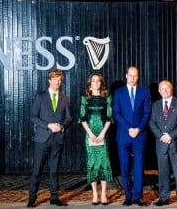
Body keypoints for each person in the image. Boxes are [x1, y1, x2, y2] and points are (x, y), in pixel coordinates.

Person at [27, 69, 72, 208]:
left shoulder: (65, 98)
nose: (57, 82)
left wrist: (62, 126)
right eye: (54, 79)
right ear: (49, 80)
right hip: (42, 139)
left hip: (57, 139)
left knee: (54, 170)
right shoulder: (40, 96)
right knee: (37, 170)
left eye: (59, 80)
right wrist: (48, 125)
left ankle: (54, 197)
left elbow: (69, 118)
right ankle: (32, 198)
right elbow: (33, 116)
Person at [112, 66, 151, 206]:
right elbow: (116, 113)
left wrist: (139, 129)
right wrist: (129, 128)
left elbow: (147, 112)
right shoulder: (118, 92)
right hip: (123, 135)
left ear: (138, 77)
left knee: (139, 166)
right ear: (126, 75)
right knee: (124, 166)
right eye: (130, 75)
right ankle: (128, 196)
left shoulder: (144, 91)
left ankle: (138, 197)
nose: (133, 78)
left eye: (135, 76)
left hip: (139, 135)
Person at [149, 80, 177, 207]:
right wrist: (161, 136)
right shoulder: (155, 105)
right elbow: (151, 122)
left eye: (167, 88)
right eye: (162, 89)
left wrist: (171, 136)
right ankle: (164, 198)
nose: (164, 91)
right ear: (159, 91)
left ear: (171, 89)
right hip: (161, 144)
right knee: (163, 173)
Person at [78, 73, 114, 206]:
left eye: (98, 81)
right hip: (90, 135)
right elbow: (82, 118)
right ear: (90, 83)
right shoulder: (85, 97)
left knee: (104, 163)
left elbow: (109, 117)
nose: (96, 83)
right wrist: (91, 134)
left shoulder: (107, 97)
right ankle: (94, 193)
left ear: (101, 83)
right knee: (92, 163)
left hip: (103, 134)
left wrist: (103, 133)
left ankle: (104, 193)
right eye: (93, 81)